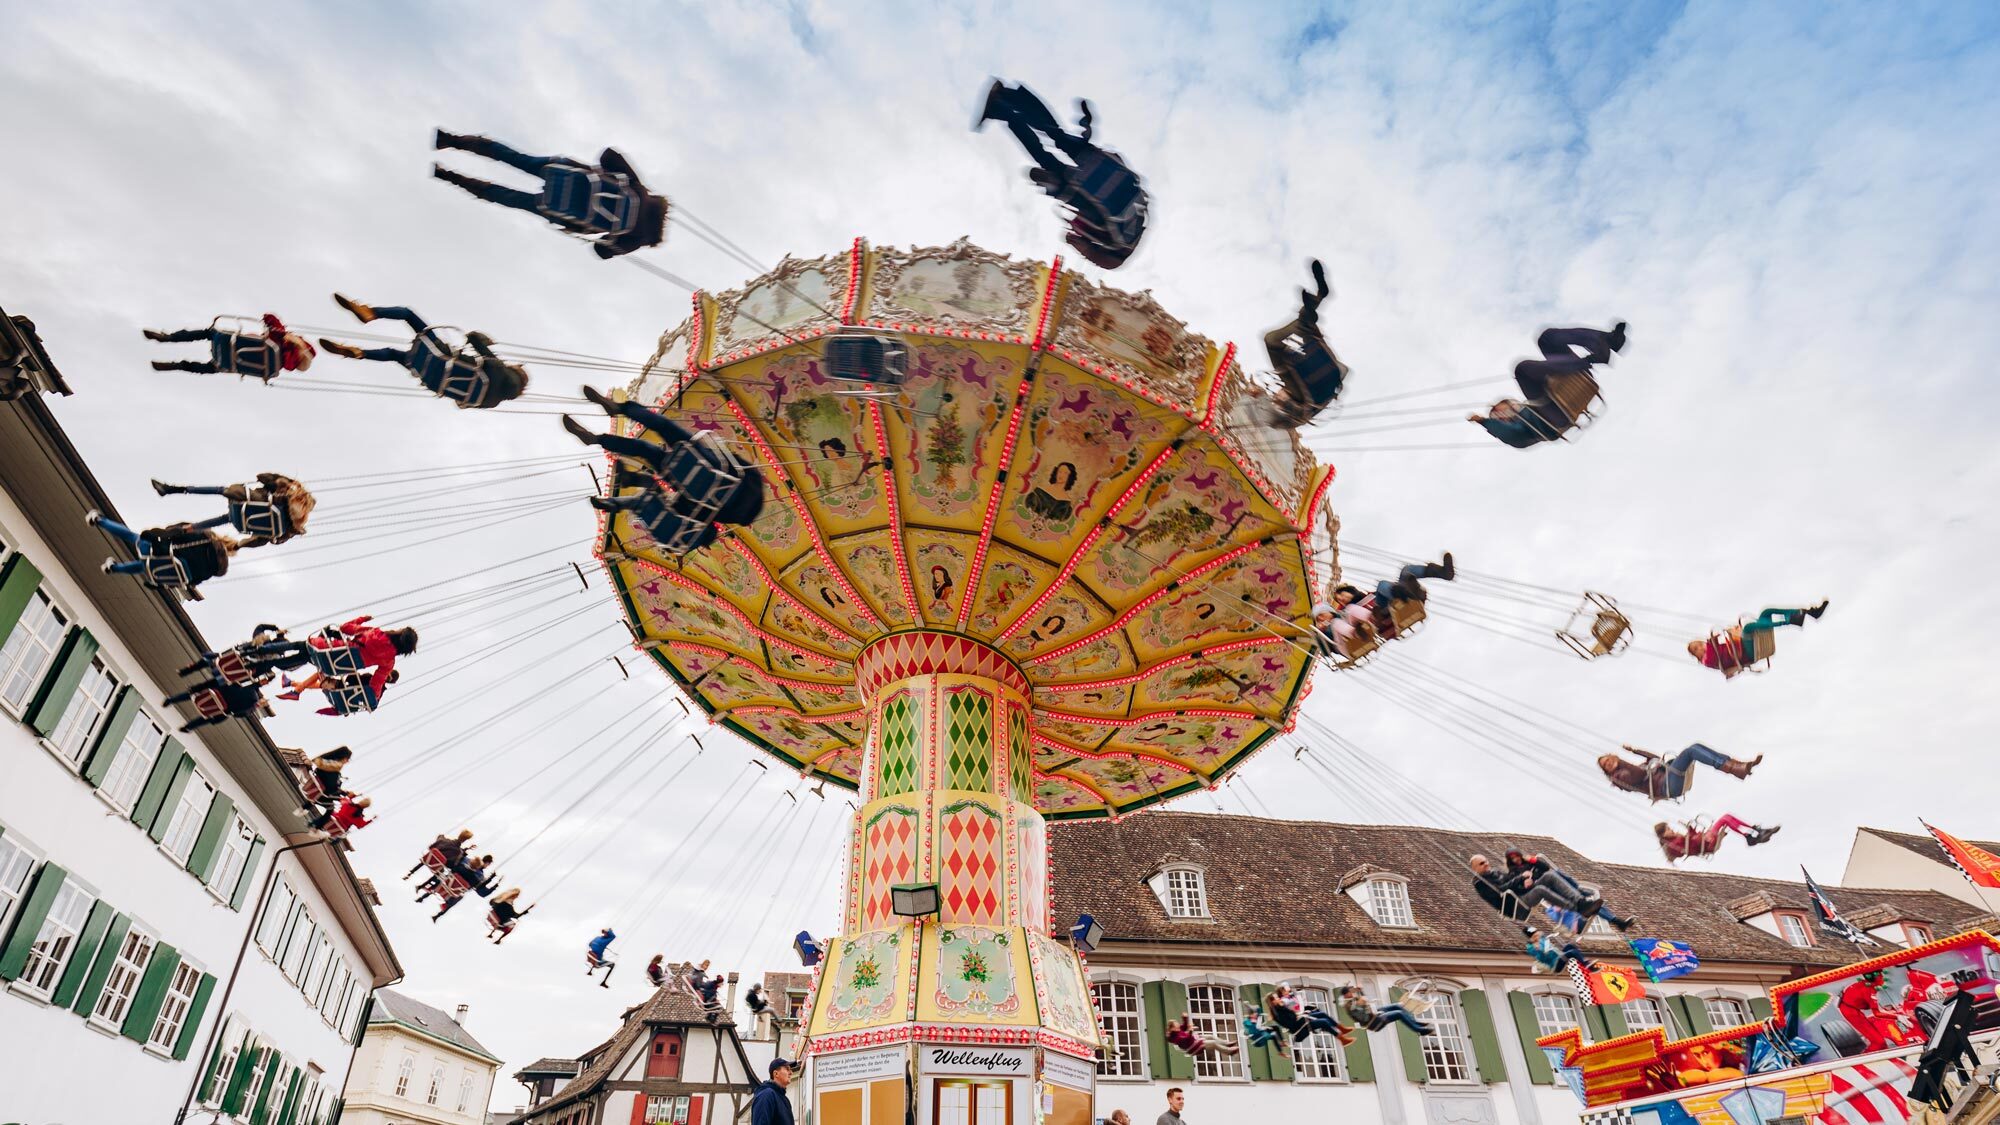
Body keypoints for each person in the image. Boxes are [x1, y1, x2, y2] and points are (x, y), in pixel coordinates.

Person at [975, 80, 1149, 269]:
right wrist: (1072, 236)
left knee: (1055, 133)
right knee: (1043, 155)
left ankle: (1009, 95)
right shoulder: (1116, 250)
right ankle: (1000, 108)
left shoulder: (1137, 222)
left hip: (1101, 164)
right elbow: (1087, 247)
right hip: (1086, 191)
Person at [433, 130, 668, 260]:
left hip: (564, 173)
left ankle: (450, 140)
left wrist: (622, 181)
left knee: (513, 158)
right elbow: (601, 252)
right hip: (559, 209)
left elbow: (607, 154)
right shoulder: (636, 240)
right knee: (508, 197)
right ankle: (449, 176)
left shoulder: (641, 192)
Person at [566, 386, 765, 531]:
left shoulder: (755, 487)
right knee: (643, 449)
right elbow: (700, 512)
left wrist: (717, 454)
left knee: (662, 425)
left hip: (702, 459)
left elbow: (739, 465)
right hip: (681, 480)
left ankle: (620, 409)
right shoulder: (730, 516)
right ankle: (597, 439)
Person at [317, 294, 528, 409]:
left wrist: (485, 343)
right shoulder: (492, 403)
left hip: (440, 357)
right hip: (432, 379)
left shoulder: (498, 367)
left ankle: (370, 313)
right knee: (393, 354)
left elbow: (473, 338)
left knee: (408, 315)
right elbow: (460, 403)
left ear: (514, 371)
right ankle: (357, 353)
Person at [1469, 324, 1627, 447]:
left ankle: (1606, 341)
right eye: (1498, 413)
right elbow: (1512, 437)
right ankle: (1588, 361)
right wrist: (1485, 422)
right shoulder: (1523, 428)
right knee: (1522, 370)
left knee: (1547, 338)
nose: (1501, 410)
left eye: (1502, 407)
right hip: (1554, 417)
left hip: (1570, 381)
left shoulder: (1528, 403)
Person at [253, 615, 417, 704]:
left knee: (301, 646)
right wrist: (373, 698)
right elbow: (377, 682)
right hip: (336, 667)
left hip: (326, 650)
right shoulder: (389, 662)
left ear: (398, 633)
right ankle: (271, 667)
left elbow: (345, 628)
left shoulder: (376, 633)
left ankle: (260, 649)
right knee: (303, 656)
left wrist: (361, 620)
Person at [1265, 260, 1348, 426]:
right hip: (1309, 390)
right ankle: (1313, 307)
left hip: (1318, 377)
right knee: (1274, 340)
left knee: (1303, 327)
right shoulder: (1302, 409)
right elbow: (1281, 420)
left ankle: (1316, 301)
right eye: (1277, 397)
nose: (1277, 395)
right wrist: (1283, 405)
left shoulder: (1302, 391)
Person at [87, 512, 239, 597]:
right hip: (163, 569)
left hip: (158, 552)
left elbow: (177, 533)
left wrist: (158, 536)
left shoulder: (203, 538)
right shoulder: (211, 571)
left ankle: (99, 520)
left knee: (133, 537)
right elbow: (192, 582)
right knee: (143, 566)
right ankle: (114, 568)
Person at [148, 474, 316, 547]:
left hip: (242, 503)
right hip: (241, 522)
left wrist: (285, 481)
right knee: (224, 519)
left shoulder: (282, 495)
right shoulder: (288, 531)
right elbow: (261, 541)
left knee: (222, 490)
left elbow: (261, 476)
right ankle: (183, 530)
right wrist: (239, 546)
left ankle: (173, 489)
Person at [145, 313, 316, 380]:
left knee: (209, 333)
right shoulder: (274, 370)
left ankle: (167, 338)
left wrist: (284, 333)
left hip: (228, 342)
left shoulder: (278, 341)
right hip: (228, 362)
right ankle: (178, 366)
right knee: (211, 368)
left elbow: (269, 317)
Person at [1503, 849, 1637, 931]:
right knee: (1558, 878)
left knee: (1591, 905)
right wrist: (1524, 880)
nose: (1516, 860)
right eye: (1513, 859)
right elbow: (1521, 890)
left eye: (1517, 857)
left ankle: (1618, 922)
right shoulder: (1514, 874)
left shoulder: (1531, 864)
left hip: (1560, 887)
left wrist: (1532, 860)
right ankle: (1582, 896)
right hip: (1549, 891)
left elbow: (1545, 867)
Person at [1690, 603, 1829, 674]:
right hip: (1747, 654)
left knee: (1766, 612)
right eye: (1696, 648)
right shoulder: (1707, 660)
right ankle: (1791, 620)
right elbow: (1716, 658)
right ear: (1695, 655)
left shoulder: (1714, 648)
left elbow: (1725, 646)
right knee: (1749, 627)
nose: (1701, 647)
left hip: (1746, 647)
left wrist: (1732, 633)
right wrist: (1711, 643)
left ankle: (1808, 612)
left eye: (1699, 644)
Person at [1597, 743, 1761, 802]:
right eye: (1606, 764)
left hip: (1669, 778)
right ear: (1607, 770)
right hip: (1666, 786)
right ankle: (1733, 768)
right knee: (1690, 752)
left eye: (1608, 759)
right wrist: (1621, 762)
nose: (1609, 763)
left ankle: (1736, 766)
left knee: (1695, 747)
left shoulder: (1633, 768)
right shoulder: (1620, 777)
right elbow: (1638, 776)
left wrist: (1635, 751)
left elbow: (1655, 759)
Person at [1369, 554, 1454, 635]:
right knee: (1382, 585)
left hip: (1398, 598)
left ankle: (1443, 573)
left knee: (1406, 570)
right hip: (1387, 611)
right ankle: (1404, 591)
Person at [167, 673, 274, 730]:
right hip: (224, 707)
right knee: (212, 718)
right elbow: (240, 713)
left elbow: (230, 683)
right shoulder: (253, 700)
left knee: (195, 694)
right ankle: (188, 727)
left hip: (218, 692)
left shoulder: (245, 681)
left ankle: (172, 700)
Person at [1655, 815, 1780, 861]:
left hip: (1704, 840)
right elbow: (1691, 847)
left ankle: (1753, 833)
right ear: (1664, 834)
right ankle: (1752, 835)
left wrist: (1690, 831)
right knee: (1725, 819)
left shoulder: (1676, 840)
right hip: (1706, 843)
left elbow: (1691, 842)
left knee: (1727, 818)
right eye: (1668, 829)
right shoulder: (1673, 845)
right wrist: (1689, 832)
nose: (1671, 830)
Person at [1339, 985, 1435, 1036]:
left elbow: (1364, 1000)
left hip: (1374, 1014)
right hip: (1372, 1022)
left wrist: (1360, 991)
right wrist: (1362, 1003)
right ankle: (1419, 1030)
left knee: (1398, 1006)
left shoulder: (1352, 999)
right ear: (1346, 994)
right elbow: (1362, 1015)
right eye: (1350, 992)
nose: (1352, 993)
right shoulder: (1348, 1005)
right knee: (1399, 1013)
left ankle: (1415, 1023)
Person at [1524, 927, 1598, 975]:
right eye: (1535, 937)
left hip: (1559, 956)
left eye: (1537, 935)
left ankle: (1587, 965)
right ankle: (1586, 966)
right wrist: (1538, 949)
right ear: (1531, 938)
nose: (1537, 937)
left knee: (1570, 945)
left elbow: (1545, 934)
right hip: (1554, 964)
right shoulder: (1531, 947)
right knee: (1572, 952)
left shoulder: (1542, 938)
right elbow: (1540, 956)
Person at [407, 829, 475, 880]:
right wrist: (465, 850)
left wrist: (441, 836)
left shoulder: (444, 840)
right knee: (443, 872)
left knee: (429, 856)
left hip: (428, 859)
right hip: (437, 867)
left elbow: (438, 840)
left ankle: (411, 872)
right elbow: (451, 864)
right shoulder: (458, 852)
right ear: (465, 840)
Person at [750, 1057, 796, 1125]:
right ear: (776, 1074)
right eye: (787, 1069)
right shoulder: (766, 1095)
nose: (791, 1073)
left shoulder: (785, 1100)